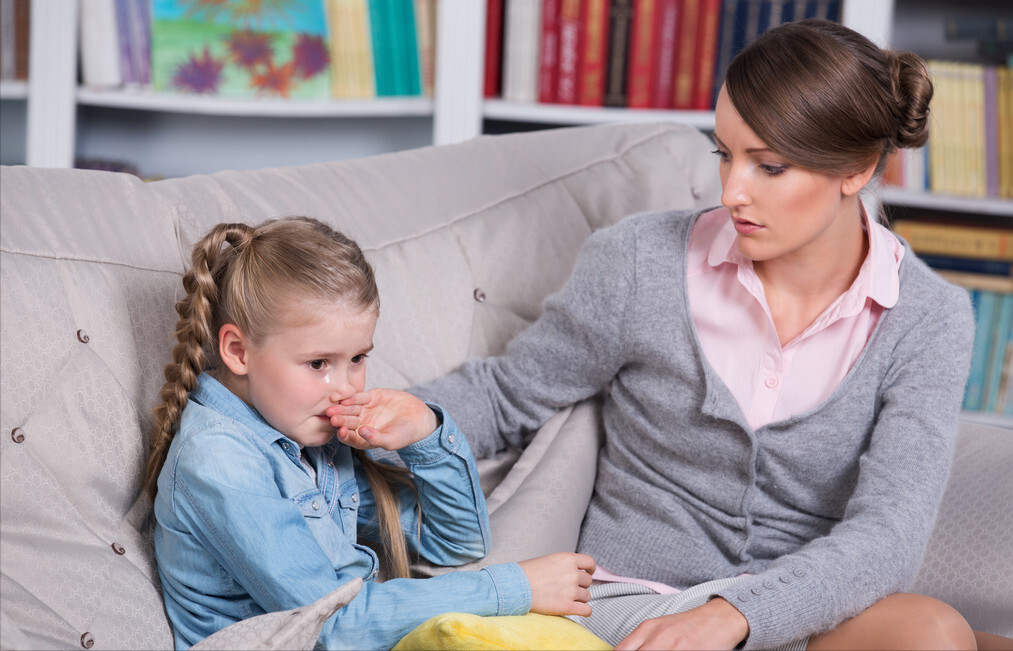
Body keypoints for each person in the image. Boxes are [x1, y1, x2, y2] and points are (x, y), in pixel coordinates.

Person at [365, 19, 1007, 650]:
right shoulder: (640, 262)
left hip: (800, 611)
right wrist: (397, 420)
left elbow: (890, 533)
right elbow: (511, 392)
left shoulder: (928, 319)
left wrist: (736, 613)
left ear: (859, 168)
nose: (733, 191)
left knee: (933, 634)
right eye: (725, 154)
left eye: (770, 167)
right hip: (634, 602)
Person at [145, 216, 596, 650]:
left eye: (358, 358)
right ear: (238, 352)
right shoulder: (220, 460)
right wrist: (513, 588)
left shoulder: (311, 440)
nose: (346, 388)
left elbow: (457, 543)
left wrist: (426, 434)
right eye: (319, 363)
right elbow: (333, 625)